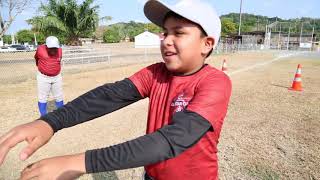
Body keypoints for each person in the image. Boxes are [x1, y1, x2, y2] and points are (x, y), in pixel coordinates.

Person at [0, 0, 231, 179]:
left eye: (178, 33)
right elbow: (109, 96)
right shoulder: (156, 73)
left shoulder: (215, 82)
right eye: (165, 32)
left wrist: (78, 163)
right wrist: (50, 122)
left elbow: (171, 141)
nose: (166, 40)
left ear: (206, 44)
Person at [35, 36, 64, 116]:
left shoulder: (60, 51)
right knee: (43, 97)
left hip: (57, 77)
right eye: (51, 48)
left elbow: (58, 61)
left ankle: (61, 115)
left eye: (55, 48)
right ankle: (43, 117)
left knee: (59, 96)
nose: (53, 50)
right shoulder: (40, 49)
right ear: (46, 46)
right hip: (43, 78)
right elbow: (37, 59)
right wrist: (43, 68)